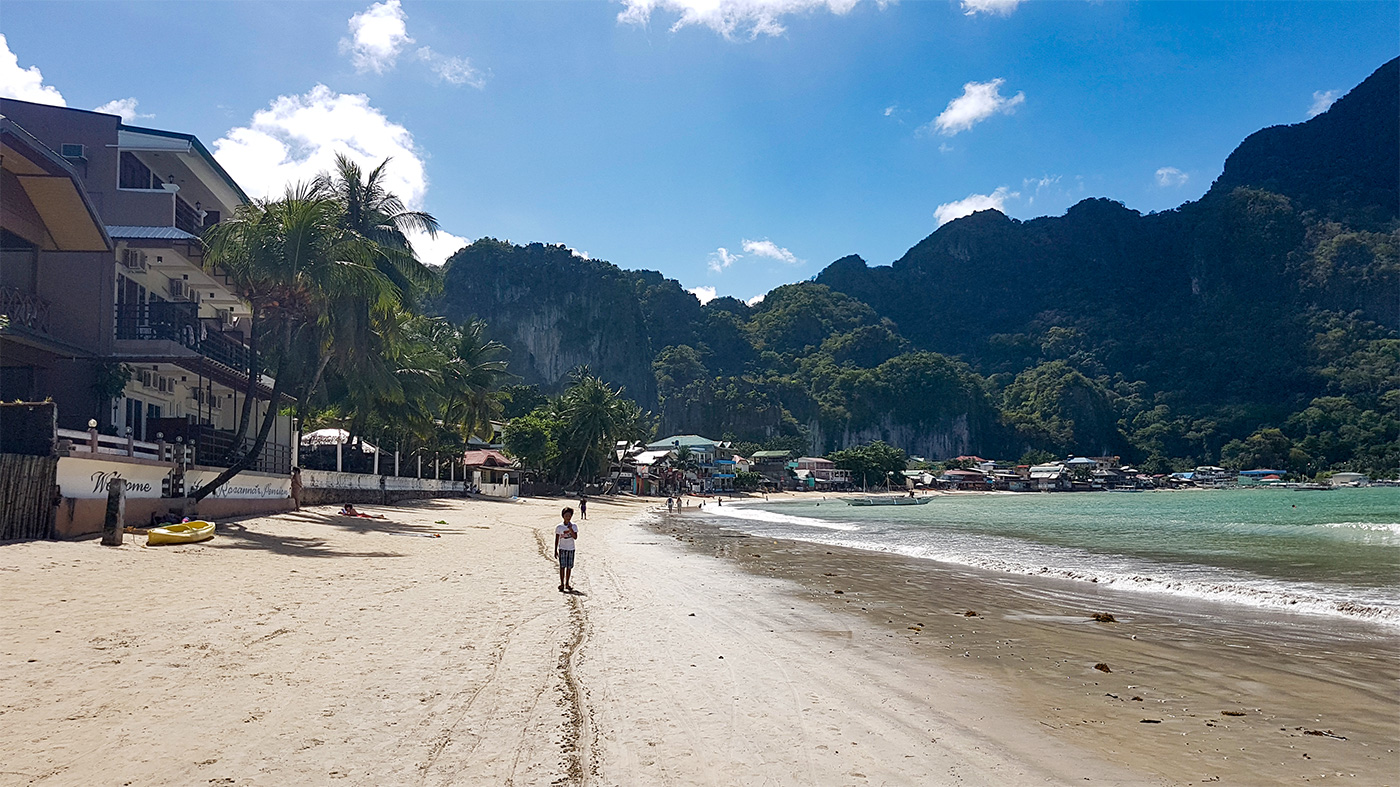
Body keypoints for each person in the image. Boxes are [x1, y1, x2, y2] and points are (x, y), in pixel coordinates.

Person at [555, 507, 578, 592]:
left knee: (569, 567)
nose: (568, 517)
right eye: (566, 515)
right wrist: (555, 550)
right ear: (563, 516)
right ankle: (562, 583)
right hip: (562, 549)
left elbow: (575, 537)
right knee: (562, 567)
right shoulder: (559, 527)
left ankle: (567, 583)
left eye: (569, 515)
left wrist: (571, 529)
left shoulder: (574, 526)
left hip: (571, 549)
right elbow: (557, 539)